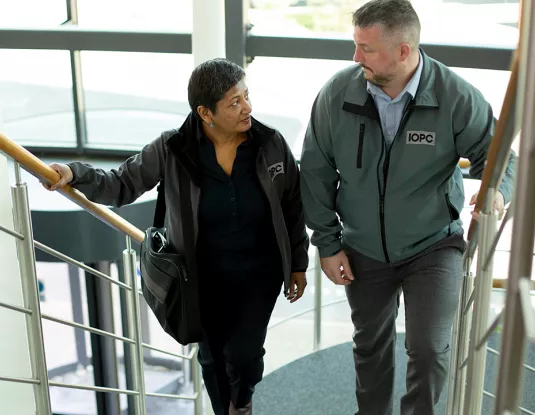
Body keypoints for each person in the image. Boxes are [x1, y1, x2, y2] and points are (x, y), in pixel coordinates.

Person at [43, 58, 309, 415]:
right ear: (205, 112)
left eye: (246, 95)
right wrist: (74, 174)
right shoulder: (173, 149)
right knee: (212, 356)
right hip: (201, 278)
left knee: (245, 355)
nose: (248, 107)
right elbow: (121, 184)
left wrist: (298, 263)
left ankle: (242, 400)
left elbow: (292, 204)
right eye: (234, 102)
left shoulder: (270, 143)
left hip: (259, 275)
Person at [299, 1, 516, 414]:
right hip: (362, 247)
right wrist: (327, 243)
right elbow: (315, 170)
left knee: (431, 350)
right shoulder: (337, 93)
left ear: (404, 51)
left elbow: (501, 157)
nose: (356, 57)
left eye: (367, 48)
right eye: (356, 45)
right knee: (370, 347)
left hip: (433, 244)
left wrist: (498, 192)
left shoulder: (454, 96)